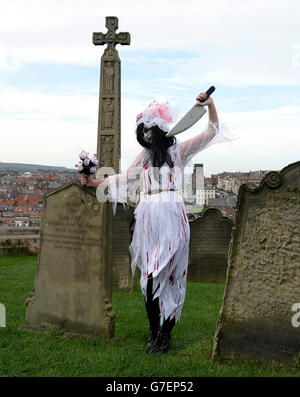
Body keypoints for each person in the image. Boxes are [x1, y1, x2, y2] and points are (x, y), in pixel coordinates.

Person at [81, 92, 227, 355]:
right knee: (149, 280)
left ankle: (165, 334)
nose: (146, 137)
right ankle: (153, 330)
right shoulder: (144, 157)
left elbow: (211, 133)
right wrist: (94, 183)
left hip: (171, 214)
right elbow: (123, 178)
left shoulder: (179, 151)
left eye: (150, 131)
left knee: (170, 277)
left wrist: (211, 106)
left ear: (160, 131)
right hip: (147, 216)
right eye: (143, 132)